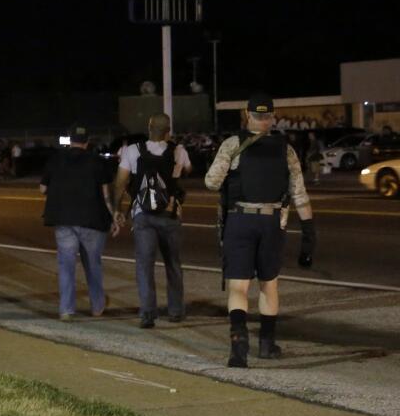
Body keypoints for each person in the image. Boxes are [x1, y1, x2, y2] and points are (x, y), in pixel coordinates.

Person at [205, 94, 315, 368]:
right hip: (272, 221)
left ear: (247, 114)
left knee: (238, 286)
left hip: (239, 219)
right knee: (269, 284)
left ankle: (239, 344)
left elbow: (211, 182)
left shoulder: (233, 144)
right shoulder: (285, 150)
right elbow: (299, 194)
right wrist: (309, 232)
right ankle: (267, 344)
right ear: (272, 116)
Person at [112, 113, 191, 328]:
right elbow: (187, 171)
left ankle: (148, 312)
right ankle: (175, 311)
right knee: (173, 263)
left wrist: (117, 210)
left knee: (144, 265)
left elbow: (120, 183)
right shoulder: (178, 151)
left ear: (149, 128)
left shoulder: (131, 151)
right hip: (170, 214)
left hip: (143, 215)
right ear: (168, 131)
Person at [40, 124, 116, 321]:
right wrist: (115, 215)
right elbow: (106, 194)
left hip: (64, 219)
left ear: (70, 140)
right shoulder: (97, 162)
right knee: (93, 264)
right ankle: (97, 306)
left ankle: (66, 309)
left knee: (66, 265)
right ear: (87, 142)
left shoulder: (56, 160)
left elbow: (42, 189)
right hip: (92, 220)